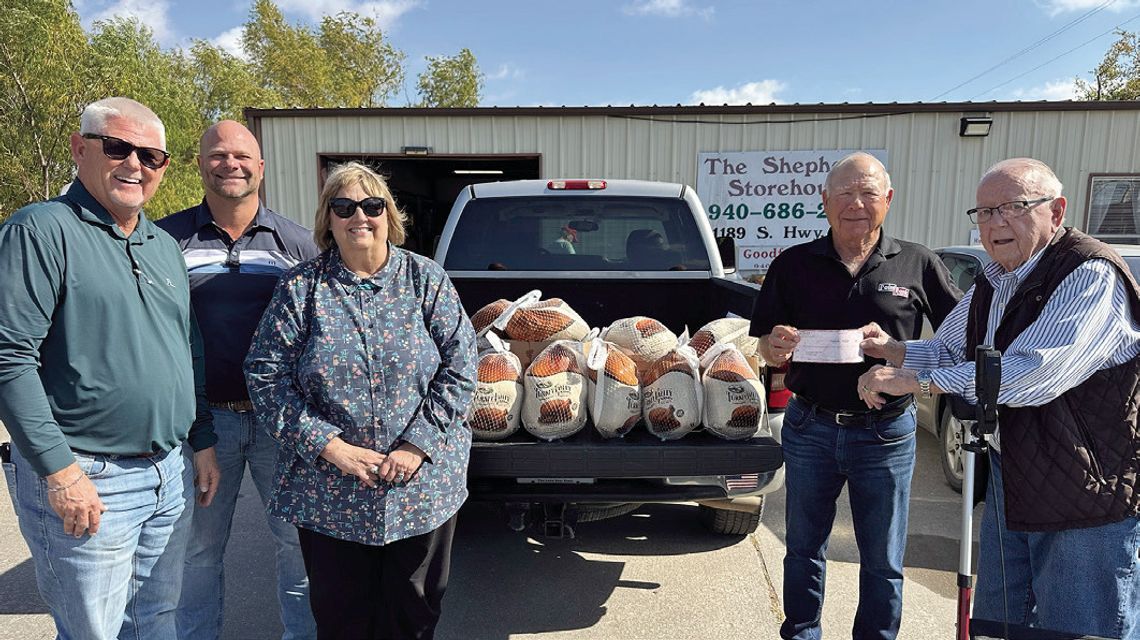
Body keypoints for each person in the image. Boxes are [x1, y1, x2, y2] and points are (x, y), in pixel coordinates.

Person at [859, 157, 1140, 639]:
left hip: (1085, 488)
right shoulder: (992, 279)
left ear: (1057, 210)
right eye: (985, 212)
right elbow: (949, 347)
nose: (995, 223)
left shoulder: (1089, 273)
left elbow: (1035, 373)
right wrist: (897, 352)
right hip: (1015, 476)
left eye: (1013, 207)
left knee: (1077, 627)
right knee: (1004, 623)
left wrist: (922, 384)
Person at [0, 97, 219, 638]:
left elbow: (185, 348)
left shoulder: (164, 246)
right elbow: (9, 358)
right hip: (87, 476)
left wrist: (203, 439)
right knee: (93, 631)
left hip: (167, 472)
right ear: (80, 149)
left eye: (152, 155)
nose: (135, 165)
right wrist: (61, 472)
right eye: (117, 147)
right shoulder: (41, 232)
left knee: (155, 619)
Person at [244, 161, 477, 639]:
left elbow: (461, 366)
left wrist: (416, 446)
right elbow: (265, 375)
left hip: (420, 489)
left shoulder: (426, 280)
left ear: (389, 215)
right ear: (327, 219)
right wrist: (330, 446)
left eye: (372, 206)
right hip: (330, 494)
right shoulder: (301, 288)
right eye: (343, 206)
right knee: (341, 618)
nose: (359, 217)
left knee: (414, 614)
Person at [750, 152, 961, 639]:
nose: (856, 204)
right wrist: (772, 345)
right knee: (803, 549)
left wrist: (905, 360)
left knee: (883, 559)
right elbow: (762, 341)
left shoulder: (918, 262)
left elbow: (961, 340)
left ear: (887, 200)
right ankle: (802, 632)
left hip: (886, 433)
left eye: (868, 193)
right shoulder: (793, 263)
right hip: (810, 427)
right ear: (824, 201)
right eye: (844, 193)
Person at [156, 120, 319, 640]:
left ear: (261, 168)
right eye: (218, 154)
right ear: (199, 163)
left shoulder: (297, 244)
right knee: (197, 555)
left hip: (283, 426)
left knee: (300, 550)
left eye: (243, 155)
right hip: (204, 429)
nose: (231, 164)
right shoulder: (165, 240)